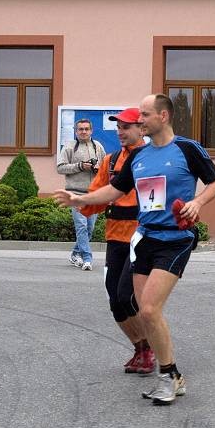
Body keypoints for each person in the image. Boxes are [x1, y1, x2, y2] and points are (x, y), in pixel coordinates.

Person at [54, 94, 215, 405]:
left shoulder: (187, 149)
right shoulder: (139, 157)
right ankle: (170, 373)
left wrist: (198, 202)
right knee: (142, 311)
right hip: (144, 238)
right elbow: (115, 190)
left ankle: (169, 376)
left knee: (148, 309)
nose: (140, 120)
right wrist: (80, 199)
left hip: (175, 238)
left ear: (163, 116)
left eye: (145, 115)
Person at [79, 108, 154, 374]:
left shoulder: (151, 158)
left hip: (141, 237)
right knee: (115, 301)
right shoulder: (110, 161)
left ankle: (152, 347)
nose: (120, 131)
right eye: (118, 127)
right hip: (115, 236)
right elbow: (96, 195)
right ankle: (140, 348)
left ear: (141, 129)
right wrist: (81, 203)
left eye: (126, 126)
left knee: (127, 296)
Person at [56, 118, 106, 271]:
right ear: (76, 131)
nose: (83, 132)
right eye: (80, 129)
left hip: (93, 194)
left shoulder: (98, 146)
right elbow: (60, 168)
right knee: (82, 226)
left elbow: (105, 168)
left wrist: (97, 168)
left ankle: (75, 253)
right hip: (75, 194)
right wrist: (80, 166)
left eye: (86, 129)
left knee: (89, 228)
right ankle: (87, 258)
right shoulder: (69, 147)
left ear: (91, 131)